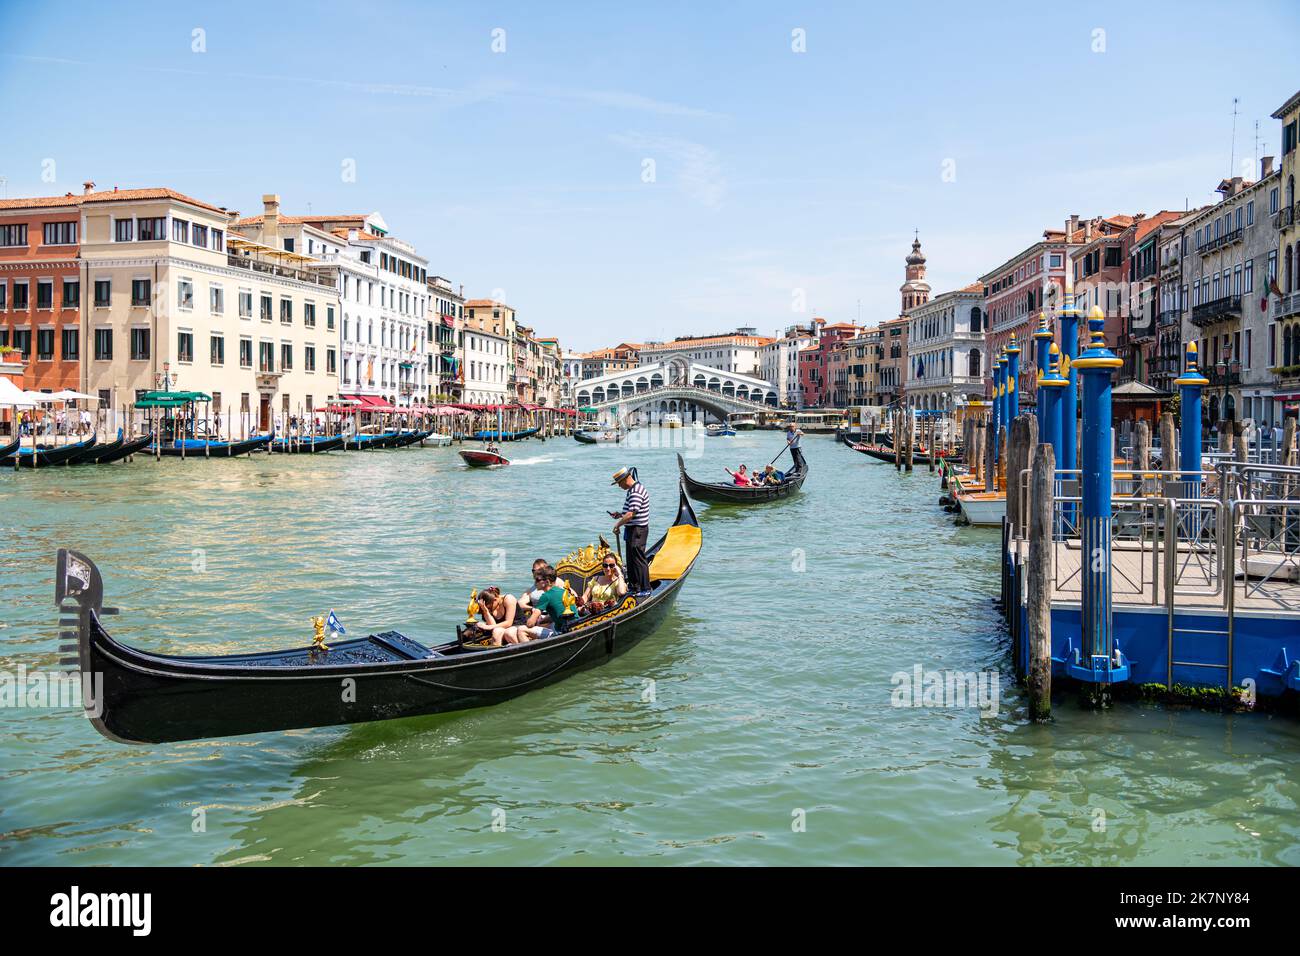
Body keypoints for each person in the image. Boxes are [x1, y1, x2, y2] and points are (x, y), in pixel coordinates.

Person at [610, 466, 651, 594]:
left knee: (638, 560)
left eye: (619, 483)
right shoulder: (632, 490)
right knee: (631, 560)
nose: (619, 486)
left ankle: (645, 588)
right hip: (633, 529)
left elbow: (631, 514)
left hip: (637, 530)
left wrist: (618, 525)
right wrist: (620, 515)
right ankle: (634, 587)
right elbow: (630, 512)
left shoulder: (636, 491)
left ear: (626, 479)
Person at [512, 565, 572, 642]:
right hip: (572, 628)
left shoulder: (546, 596)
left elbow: (530, 624)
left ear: (547, 582)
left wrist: (528, 622)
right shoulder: (563, 591)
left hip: (560, 633)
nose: (535, 582)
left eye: (537, 580)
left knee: (521, 630)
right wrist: (541, 621)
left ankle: (531, 653)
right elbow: (558, 614)